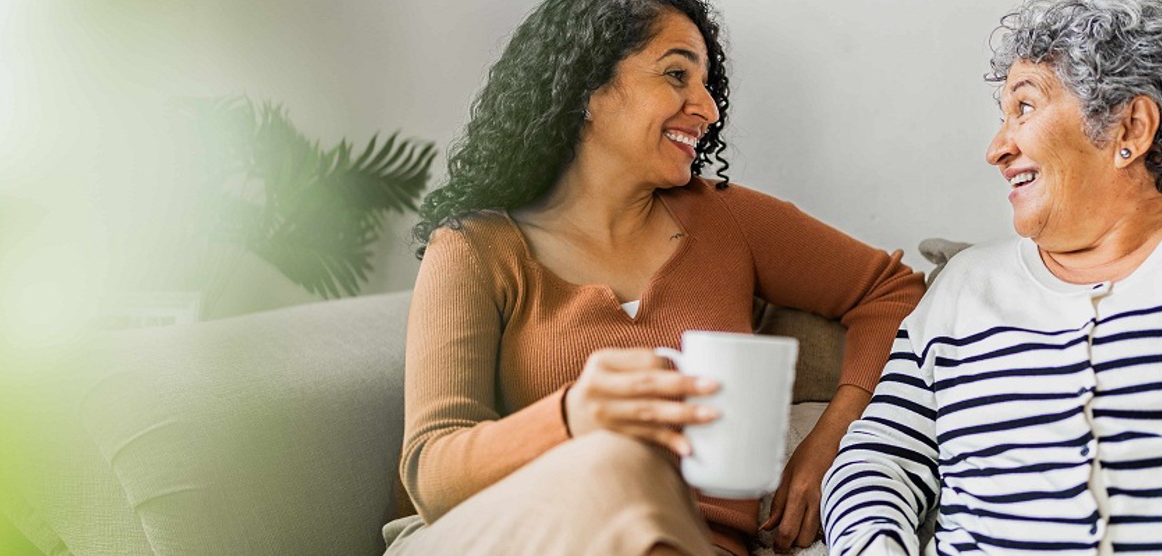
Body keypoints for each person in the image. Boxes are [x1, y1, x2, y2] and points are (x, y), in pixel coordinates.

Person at [822, 0, 1162, 554]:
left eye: (1024, 107)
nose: (996, 148)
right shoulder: (962, 288)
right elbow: (878, 458)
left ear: (1131, 129)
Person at [386, 0, 926, 555]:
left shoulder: (727, 221)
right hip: (519, 536)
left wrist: (834, 440)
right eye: (676, 74)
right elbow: (431, 472)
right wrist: (573, 418)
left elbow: (892, 291)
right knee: (615, 460)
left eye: (708, 83)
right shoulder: (475, 249)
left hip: (695, 544)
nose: (709, 109)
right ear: (586, 87)